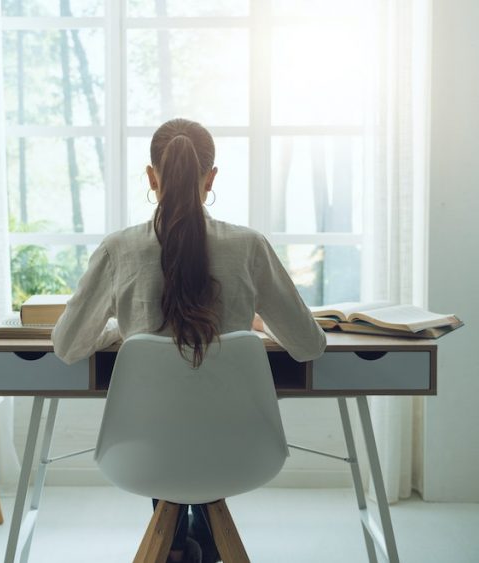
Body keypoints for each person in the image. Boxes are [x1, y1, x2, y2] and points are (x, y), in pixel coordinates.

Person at [52, 118, 326, 563]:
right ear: (211, 178)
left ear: (152, 177)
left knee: (169, 429)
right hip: (239, 450)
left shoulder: (120, 249)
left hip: (144, 454)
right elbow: (309, 346)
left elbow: (67, 346)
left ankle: (178, 542)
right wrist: (251, 324)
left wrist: (129, 328)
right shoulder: (249, 246)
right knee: (203, 423)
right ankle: (196, 536)